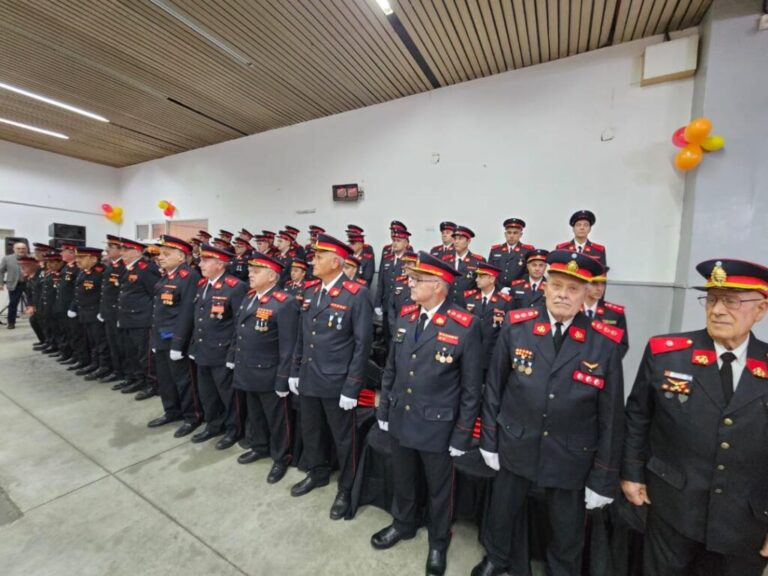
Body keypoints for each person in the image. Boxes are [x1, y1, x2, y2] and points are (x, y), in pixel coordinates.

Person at [473, 250, 625, 576]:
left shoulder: (604, 343)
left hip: (570, 453)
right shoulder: (518, 326)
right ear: (544, 287)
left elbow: (611, 417)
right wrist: (489, 440)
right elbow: (494, 387)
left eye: (572, 289)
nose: (562, 295)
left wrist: (604, 477)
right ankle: (497, 558)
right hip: (516, 440)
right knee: (503, 511)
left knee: (567, 528)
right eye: (556, 285)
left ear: (587, 293)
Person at [621, 259, 768, 576]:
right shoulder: (667, 353)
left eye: (730, 301)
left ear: (760, 309)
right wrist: (632, 473)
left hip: (745, 520)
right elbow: (637, 416)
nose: (717, 310)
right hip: (672, 506)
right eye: (712, 299)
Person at [373, 251, 482, 576]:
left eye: (417, 280)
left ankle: (438, 540)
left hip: (438, 425)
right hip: (403, 417)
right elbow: (392, 366)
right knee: (403, 478)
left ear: (438, 286)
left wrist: (463, 433)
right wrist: (385, 406)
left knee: (438, 489)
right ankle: (403, 523)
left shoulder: (465, 325)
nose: (410, 283)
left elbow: (471, 387)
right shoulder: (407, 317)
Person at [289, 233, 373, 521]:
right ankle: (317, 472)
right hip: (310, 376)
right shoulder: (311, 292)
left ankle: (347, 488)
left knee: (344, 438)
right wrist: (295, 370)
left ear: (336, 261)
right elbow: (302, 335)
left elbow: (363, 344)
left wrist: (352, 386)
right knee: (311, 430)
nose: (313, 261)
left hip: (337, 381)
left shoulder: (356, 293)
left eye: (319, 257)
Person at [229, 252, 299, 484]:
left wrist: (283, 378)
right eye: (250, 270)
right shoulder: (250, 297)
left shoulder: (284, 302)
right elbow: (239, 332)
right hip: (247, 368)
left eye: (256, 271)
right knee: (255, 413)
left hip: (269, 371)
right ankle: (259, 445)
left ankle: (281, 457)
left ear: (272, 276)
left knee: (278, 418)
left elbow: (289, 345)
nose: (250, 274)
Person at [189, 244, 247, 449]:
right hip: (203, 349)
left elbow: (239, 324)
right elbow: (199, 318)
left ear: (220, 264)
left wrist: (233, 353)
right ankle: (214, 425)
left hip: (222, 351)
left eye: (206, 261)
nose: (200, 264)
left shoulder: (235, 286)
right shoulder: (203, 284)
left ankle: (234, 430)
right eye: (201, 260)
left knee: (228, 396)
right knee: (207, 393)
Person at [147, 236, 203, 438]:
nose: (160, 257)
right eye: (160, 254)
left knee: (184, 380)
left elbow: (187, 312)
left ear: (180, 257)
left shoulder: (189, 276)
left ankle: (192, 416)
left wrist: (179, 344)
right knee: (165, 379)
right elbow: (159, 310)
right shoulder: (167, 276)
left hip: (178, 339)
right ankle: (171, 411)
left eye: (166, 254)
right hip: (161, 336)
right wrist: (154, 339)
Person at [117, 238, 162, 397]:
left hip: (142, 320)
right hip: (128, 318)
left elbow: (155, 294)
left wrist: (151, 318)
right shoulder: (128, 268)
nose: (122, 253)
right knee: (131, 352)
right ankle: (137, 379)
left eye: (126, 250)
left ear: (137, 252)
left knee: (145, 356)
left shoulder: (146, 268)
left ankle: (152, 384)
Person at [461, 262, 514, 383]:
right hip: (471, 352)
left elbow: (507, 330)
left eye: (481, 276)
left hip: (493, 353)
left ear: (491, 279)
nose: (476, 279)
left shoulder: (505, 301)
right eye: (477, 276)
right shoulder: (468, 298)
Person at [69, 247, 112, 381]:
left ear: (93, 259)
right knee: (91, 341)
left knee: (101, 342)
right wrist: (74, 307)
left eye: (81, 258)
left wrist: (102, 312)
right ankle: (95, 364)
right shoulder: (83, 272)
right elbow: (78, 292)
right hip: (84, 312)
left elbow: (104, 295)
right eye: (77, 258)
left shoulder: (101, 272)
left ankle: (104, 366)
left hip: (96, 313)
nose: (78, 261)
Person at [583, 266, 629, 358]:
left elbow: (622, 345)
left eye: (603, 284)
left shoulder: (614, 314)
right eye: (594, 283)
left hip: (602, 368)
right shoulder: (573, 310)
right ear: (584, 283)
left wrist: (605, 363)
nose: (600, 288)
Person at [376, 227, 412, 341]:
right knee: (387, 337)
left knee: (401, 338)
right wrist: (378, 303)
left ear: (406, 243)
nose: (395, 243)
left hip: (403, 306)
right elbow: (381, 281)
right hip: (387, 305)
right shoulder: (387, 259)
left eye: (398, 241)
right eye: (394, 240)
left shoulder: (410, 261)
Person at [100, 235, 127, 385]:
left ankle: (123, 372)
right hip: (109, 311)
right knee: (112, 343)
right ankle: (117, 370)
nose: (107, 250)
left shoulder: (123, 267)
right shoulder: (111, 266)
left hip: (119, 312)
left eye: (111, 247)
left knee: (121, 345)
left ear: (119, 250)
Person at [488, 218, 534, 287]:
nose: (511, 236)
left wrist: (516, 288)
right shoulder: (495, 250)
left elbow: (528, 273)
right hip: (497, 290)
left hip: (518, 290)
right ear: (505, 234)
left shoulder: (527, 251)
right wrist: (501, 288)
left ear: (520, 235)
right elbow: (490, 272)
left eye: (515, 233)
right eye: (509, 232)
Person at [446, 225, 484, 306]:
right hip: (448, 304)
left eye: (460, 239)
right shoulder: (446, 260)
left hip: (467, 305)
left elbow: (481, 286)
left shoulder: (478, 261)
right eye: (455, 239)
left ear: (468, 241)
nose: (456, 242)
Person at [0, 241, 29, 329]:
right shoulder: (7, 259)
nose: (21, 250)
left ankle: (39, 322)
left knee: (35, 302)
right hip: (14, 284)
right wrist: (1, 283)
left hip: (29, 284)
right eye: (18, 248)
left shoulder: (31, 258)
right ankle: (11, 322)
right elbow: (1, 271)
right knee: (13, 303)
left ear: (26, 249)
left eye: (23, 248)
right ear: (13, 249)